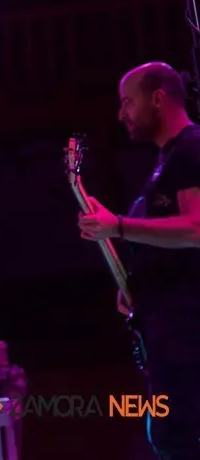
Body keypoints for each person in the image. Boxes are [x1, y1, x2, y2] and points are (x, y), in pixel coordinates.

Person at [78, 61, 200, 460]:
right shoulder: (167, 161)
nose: (122, 114)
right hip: (171, 340)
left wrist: (119, 226)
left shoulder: (191, 148)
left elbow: (197, 229)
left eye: (128, 103)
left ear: (158, 98)